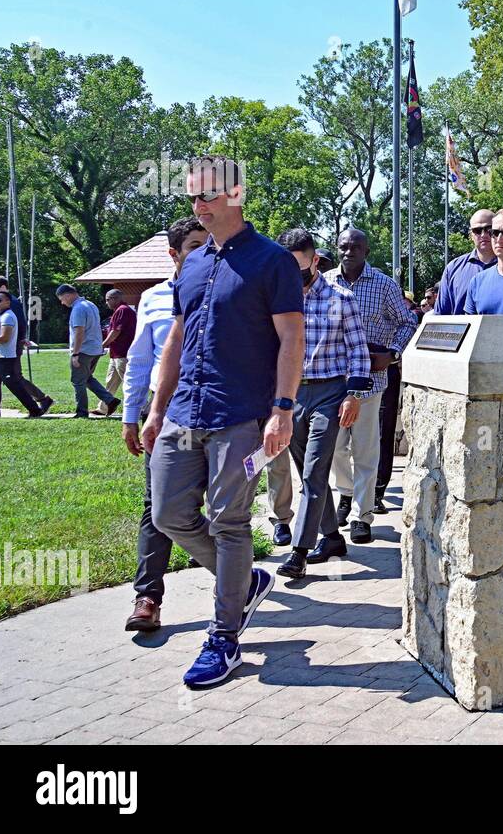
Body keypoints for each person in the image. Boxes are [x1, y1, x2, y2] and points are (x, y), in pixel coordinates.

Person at [141, 155, 302, 688]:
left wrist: (282, 410)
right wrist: (157, 408)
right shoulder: (191, 264)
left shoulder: (272, 261)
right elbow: (177, 339)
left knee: (229, 521)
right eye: (192, 197)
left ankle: (224, 636)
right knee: (167, 513)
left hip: (242, 416)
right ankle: (245, 582)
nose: (198, 206)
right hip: (185, 410)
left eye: (206, 195)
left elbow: (290, 341)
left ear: (236, 194)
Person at [120, 216, 208, 631]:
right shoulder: (153, 299)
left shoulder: (226, 291)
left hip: (220, 414)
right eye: (195, 245)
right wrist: (130, 417)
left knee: (223, 507)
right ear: (174, 254)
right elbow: (139, 362)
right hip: (169, 418)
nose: (205, 251)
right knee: (158, 507)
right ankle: (147, 597)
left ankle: (234, 584)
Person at [274, 228, 372, 580]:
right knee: (307, 473)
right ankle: (332, 537)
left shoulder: (341, 298)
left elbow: (358, 352)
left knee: (316, 472)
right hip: (291, 395)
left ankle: (298, 551)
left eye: (301, 269)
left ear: (315, 261)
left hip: (331, 393)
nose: (295, 277)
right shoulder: (277, 300)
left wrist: (353, 395)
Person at [325, 227, 418, 539]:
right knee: (336, 447)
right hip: (333, 379)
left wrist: (393, 354)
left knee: (365, 449)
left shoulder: (383, 285)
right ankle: (346, 493)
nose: (348, 252)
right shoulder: (325, 284)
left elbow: (408, 322)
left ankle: (363, 515)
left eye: (355, 247)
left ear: (366, 251)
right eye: (343, 247)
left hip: (371, 380)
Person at [0, 276, 51, 415]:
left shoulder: (12, 305)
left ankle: (40, 402)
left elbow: (17, 325)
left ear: (3, 288)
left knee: (14, 380)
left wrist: (20, 340)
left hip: (8, 350)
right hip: (0, 351)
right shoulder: (4, 308)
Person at [56, 284, 120, 418]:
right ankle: (110, 400)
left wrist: (75, 353)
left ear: (68, 295)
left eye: (62, 299)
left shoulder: (78, 309)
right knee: (87, 378)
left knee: (78, 381)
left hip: (83, 350)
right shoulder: (90, 305)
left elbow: (79, 332)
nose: (62, 303)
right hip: (95, 349)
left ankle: (81, 412)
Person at [436, 209, 496, 315]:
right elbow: (441, 315)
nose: (483, 234)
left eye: (489, 229)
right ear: (471, 235)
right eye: (477, 230)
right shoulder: (453, 268)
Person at [98, 288, 137, 415]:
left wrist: (103, 345)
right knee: (110, 381)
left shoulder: (122, 310)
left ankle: (138, 408)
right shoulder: (120, 310)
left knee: (129, 382)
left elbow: (116, 331)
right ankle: (103, 408)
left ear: (115, 299)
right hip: (115, 353)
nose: (106, 303)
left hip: (123, 353)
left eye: (107, 300)